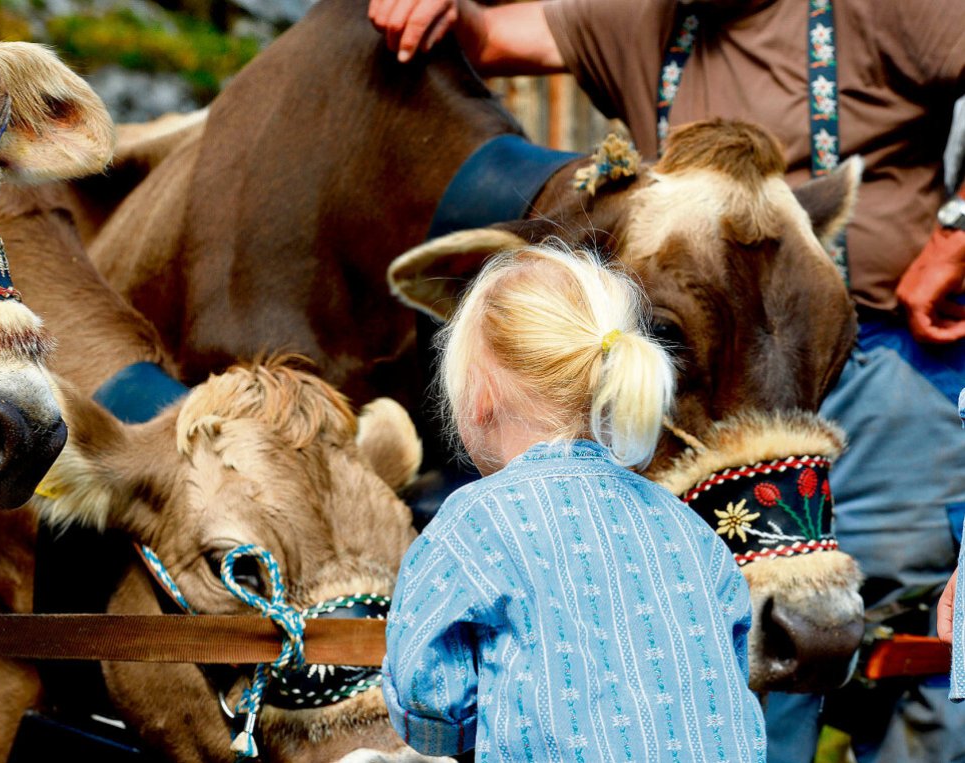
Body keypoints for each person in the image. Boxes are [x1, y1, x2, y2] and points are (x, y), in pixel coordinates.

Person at [370, 1, 965, 760]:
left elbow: (426, 694)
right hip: (698, 385)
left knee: (917, 643)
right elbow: (483, 35)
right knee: (756, 636)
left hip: (867, 361)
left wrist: (959, 225)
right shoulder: (643, 16)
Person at [381, 244, 767, 760]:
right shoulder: (686, 526)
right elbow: (725, 672)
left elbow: (430, 696)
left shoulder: (476, 523)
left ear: (480, 394)